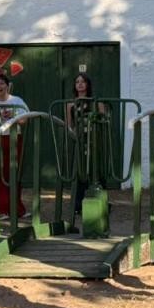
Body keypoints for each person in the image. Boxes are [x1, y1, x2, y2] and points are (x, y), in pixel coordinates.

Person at [65, 73, 109, 217]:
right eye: (77, 82)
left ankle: (102, 202)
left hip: (94, 140)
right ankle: (78, 204)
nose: (80, 84)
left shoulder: (96, 103)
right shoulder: (70, 104)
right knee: (80, 170)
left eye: (83, 81)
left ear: (88, 84)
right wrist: (74, 136)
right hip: (79, 140)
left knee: (96, 169)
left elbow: (104, 121)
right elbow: (69, 124)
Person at [0, 72, 28, 219]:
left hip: (14, 138)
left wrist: (14, 116)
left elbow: (25, 119)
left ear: (7, 86)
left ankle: (16, 208)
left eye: (2, 83)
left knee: (15, 172)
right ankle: (2, 209)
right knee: (0, 174)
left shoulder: (16, 100)